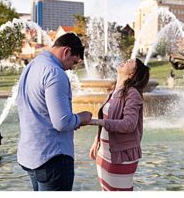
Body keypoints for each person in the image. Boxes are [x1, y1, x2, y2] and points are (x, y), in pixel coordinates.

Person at [15, 33, 93, 191]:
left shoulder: (32, 66)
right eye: (74, 61)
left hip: (30, 155)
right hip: (53, 158)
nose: (71, 67)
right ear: (66, 51)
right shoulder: (55, 73)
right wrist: (81, 118)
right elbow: (62, 122)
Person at [83, 58, 149, 191]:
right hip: (104, 152)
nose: (126, 61)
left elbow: (129, 124)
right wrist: (97, 140)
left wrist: (96, 122)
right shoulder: (115, 90)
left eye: (130, 62)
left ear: (132, 74)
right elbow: (109, 117)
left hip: (121, 156)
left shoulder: (132, 93)